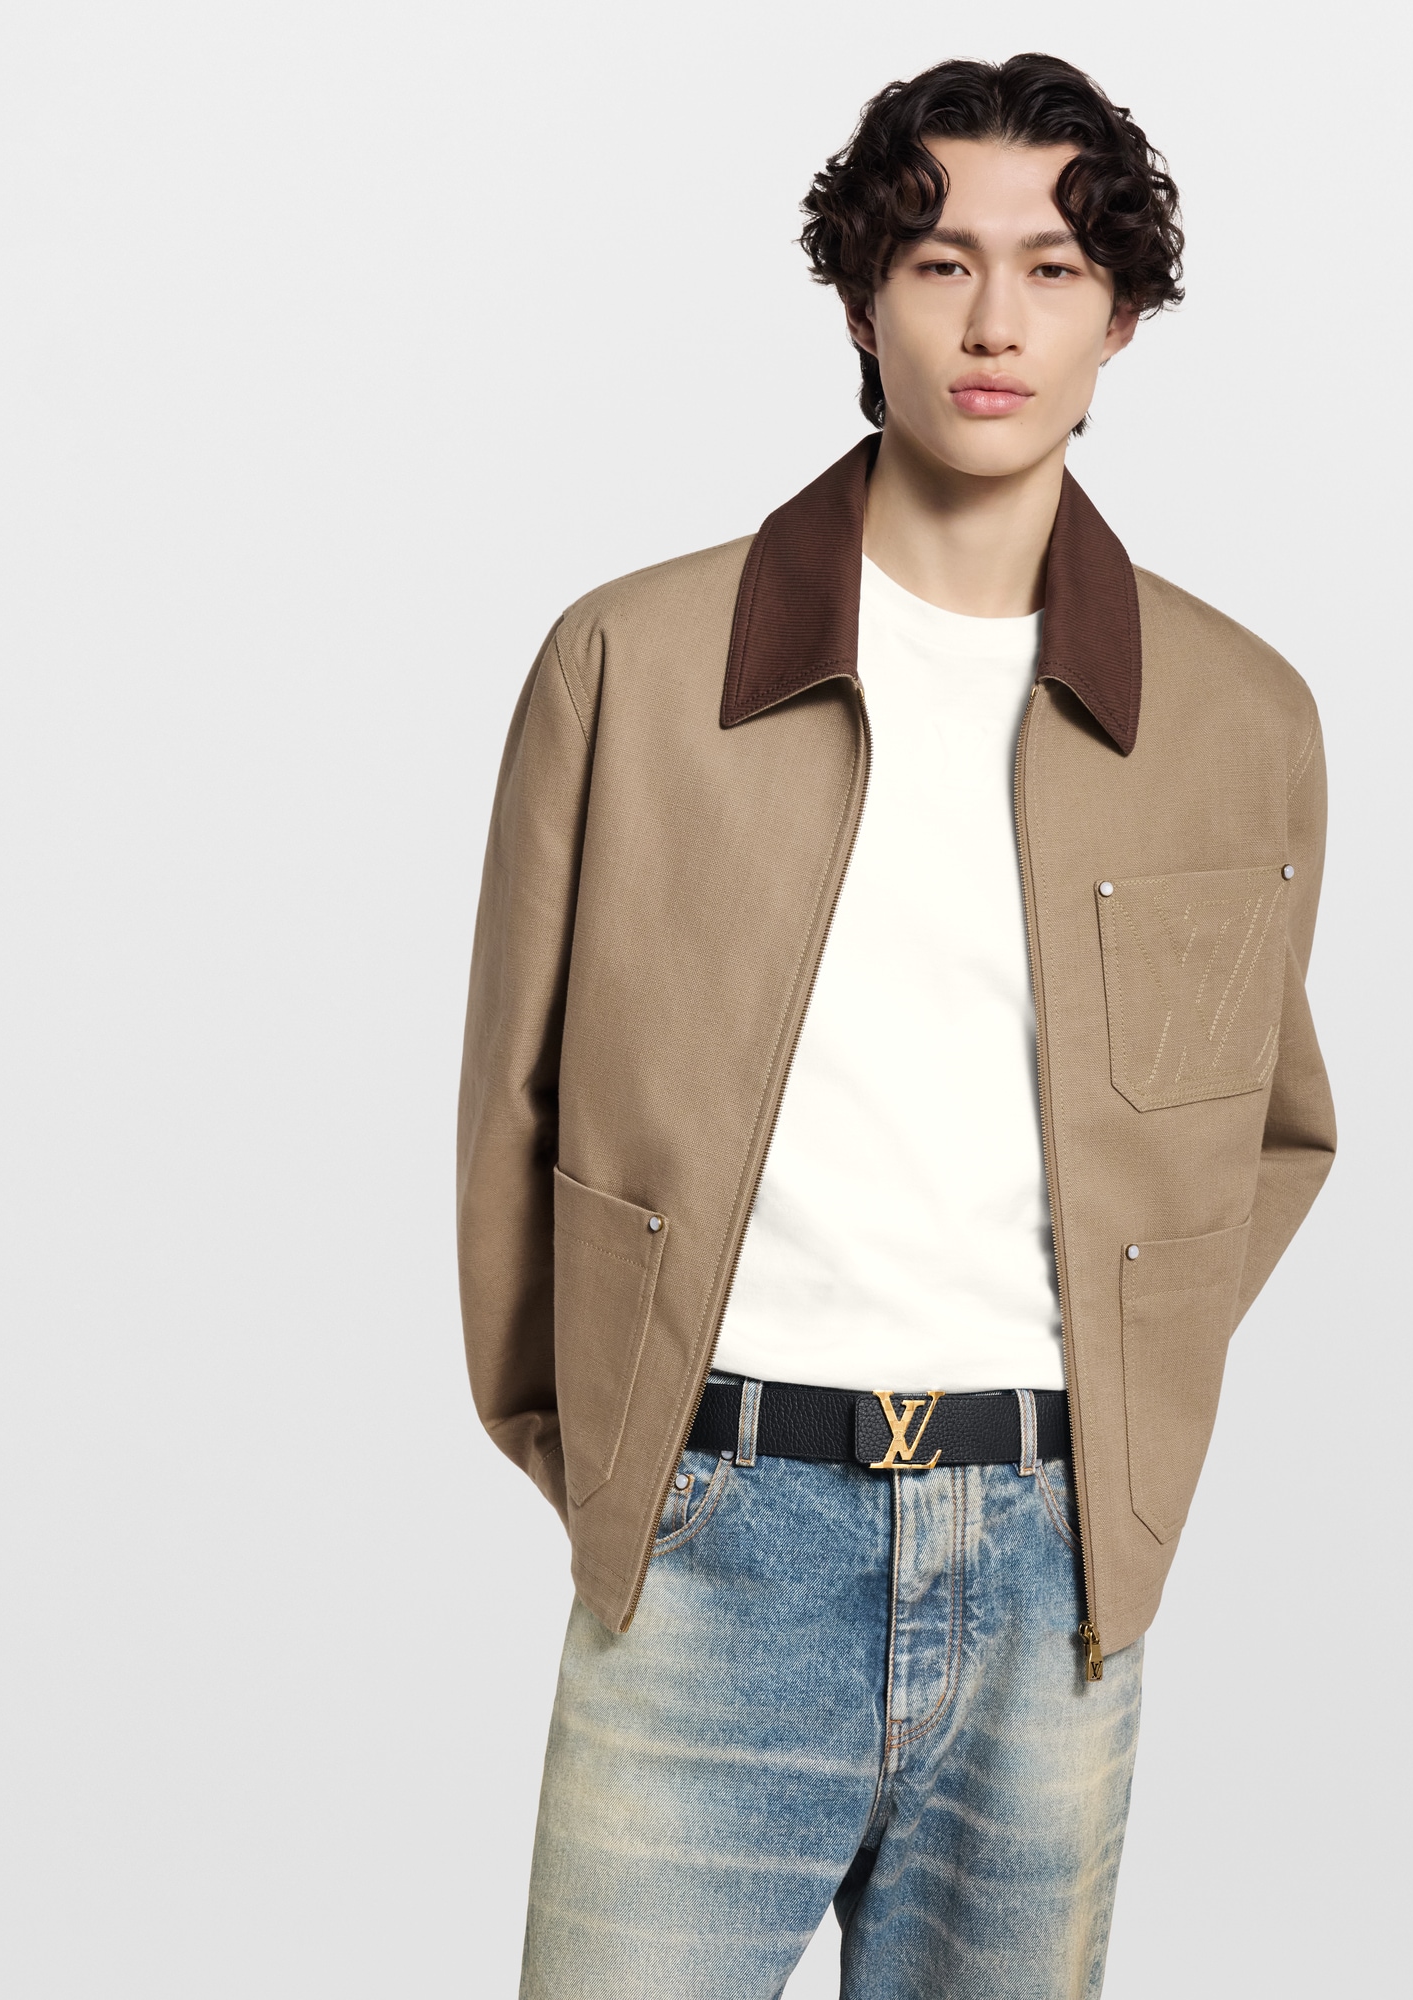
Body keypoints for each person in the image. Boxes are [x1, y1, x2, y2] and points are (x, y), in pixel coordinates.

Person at [457, 51, 1336, 2000]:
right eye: (942, 262)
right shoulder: (632, 664)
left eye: (1053, 266)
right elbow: (512, 1100)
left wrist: (1120, 1430)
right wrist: (616, 1463)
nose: (996, 321)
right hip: (714, 1532)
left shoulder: (1235, 715)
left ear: (1122, 315)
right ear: (863, 301)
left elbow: (1268, 1129)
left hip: (1052, 1569)